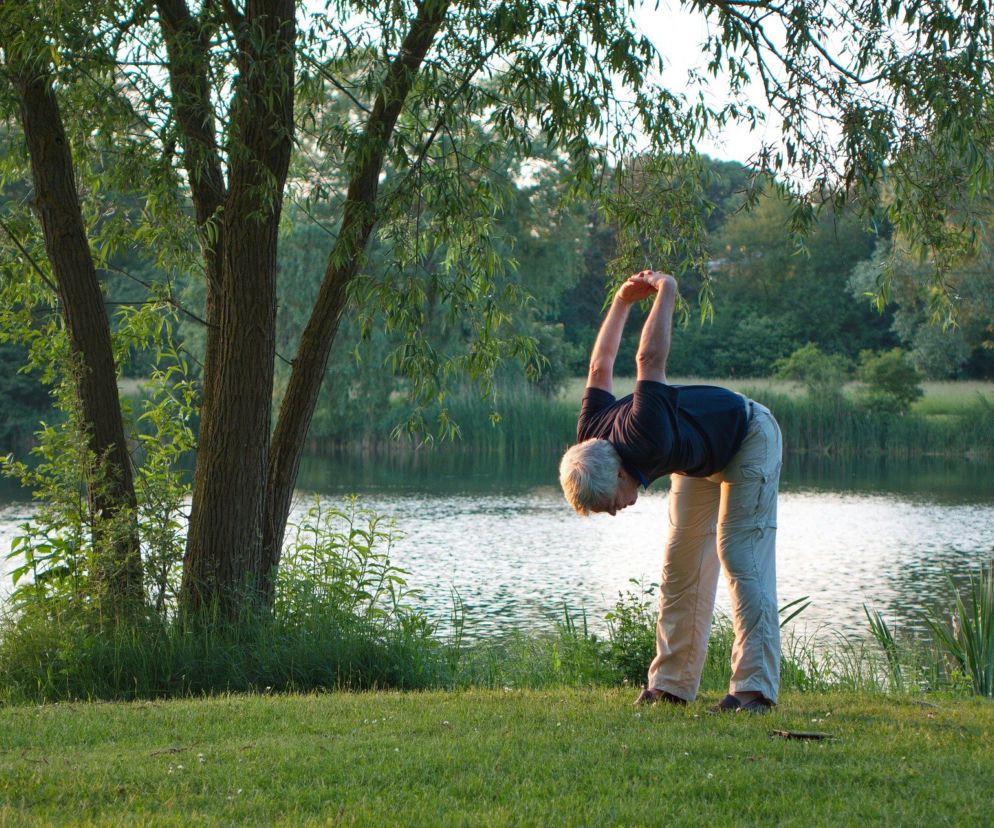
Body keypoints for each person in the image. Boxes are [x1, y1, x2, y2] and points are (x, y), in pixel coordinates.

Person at [559, 270, 782, 713]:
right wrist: (621, 302)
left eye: (609, 506)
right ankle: (671, 685)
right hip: (698, 457)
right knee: (680, 565)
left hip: (749, 435)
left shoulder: (645, 435)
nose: (616, 513)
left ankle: (754, 691)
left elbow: (648, 360)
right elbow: (599, 367)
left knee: (739, 554)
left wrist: (667, 292)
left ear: (620, 475)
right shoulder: (590, 436)